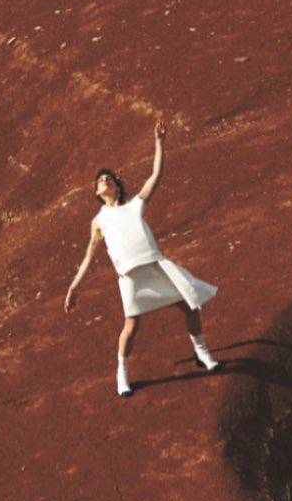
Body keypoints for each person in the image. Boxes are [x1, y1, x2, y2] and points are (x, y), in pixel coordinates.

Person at [64, 119, 220, 397]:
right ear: (97, 192)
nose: (105, 180)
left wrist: (159, 143)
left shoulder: (135, 205)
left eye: (109, 178)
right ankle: (122, 374)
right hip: (131, 277)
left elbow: (155, 176)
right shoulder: (99, 221)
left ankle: (202, 353)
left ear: (117, 187)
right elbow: (88, 257)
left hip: (157, 267)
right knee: (132, 326)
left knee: (190, 307)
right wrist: (74, 287)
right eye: (100, 181)